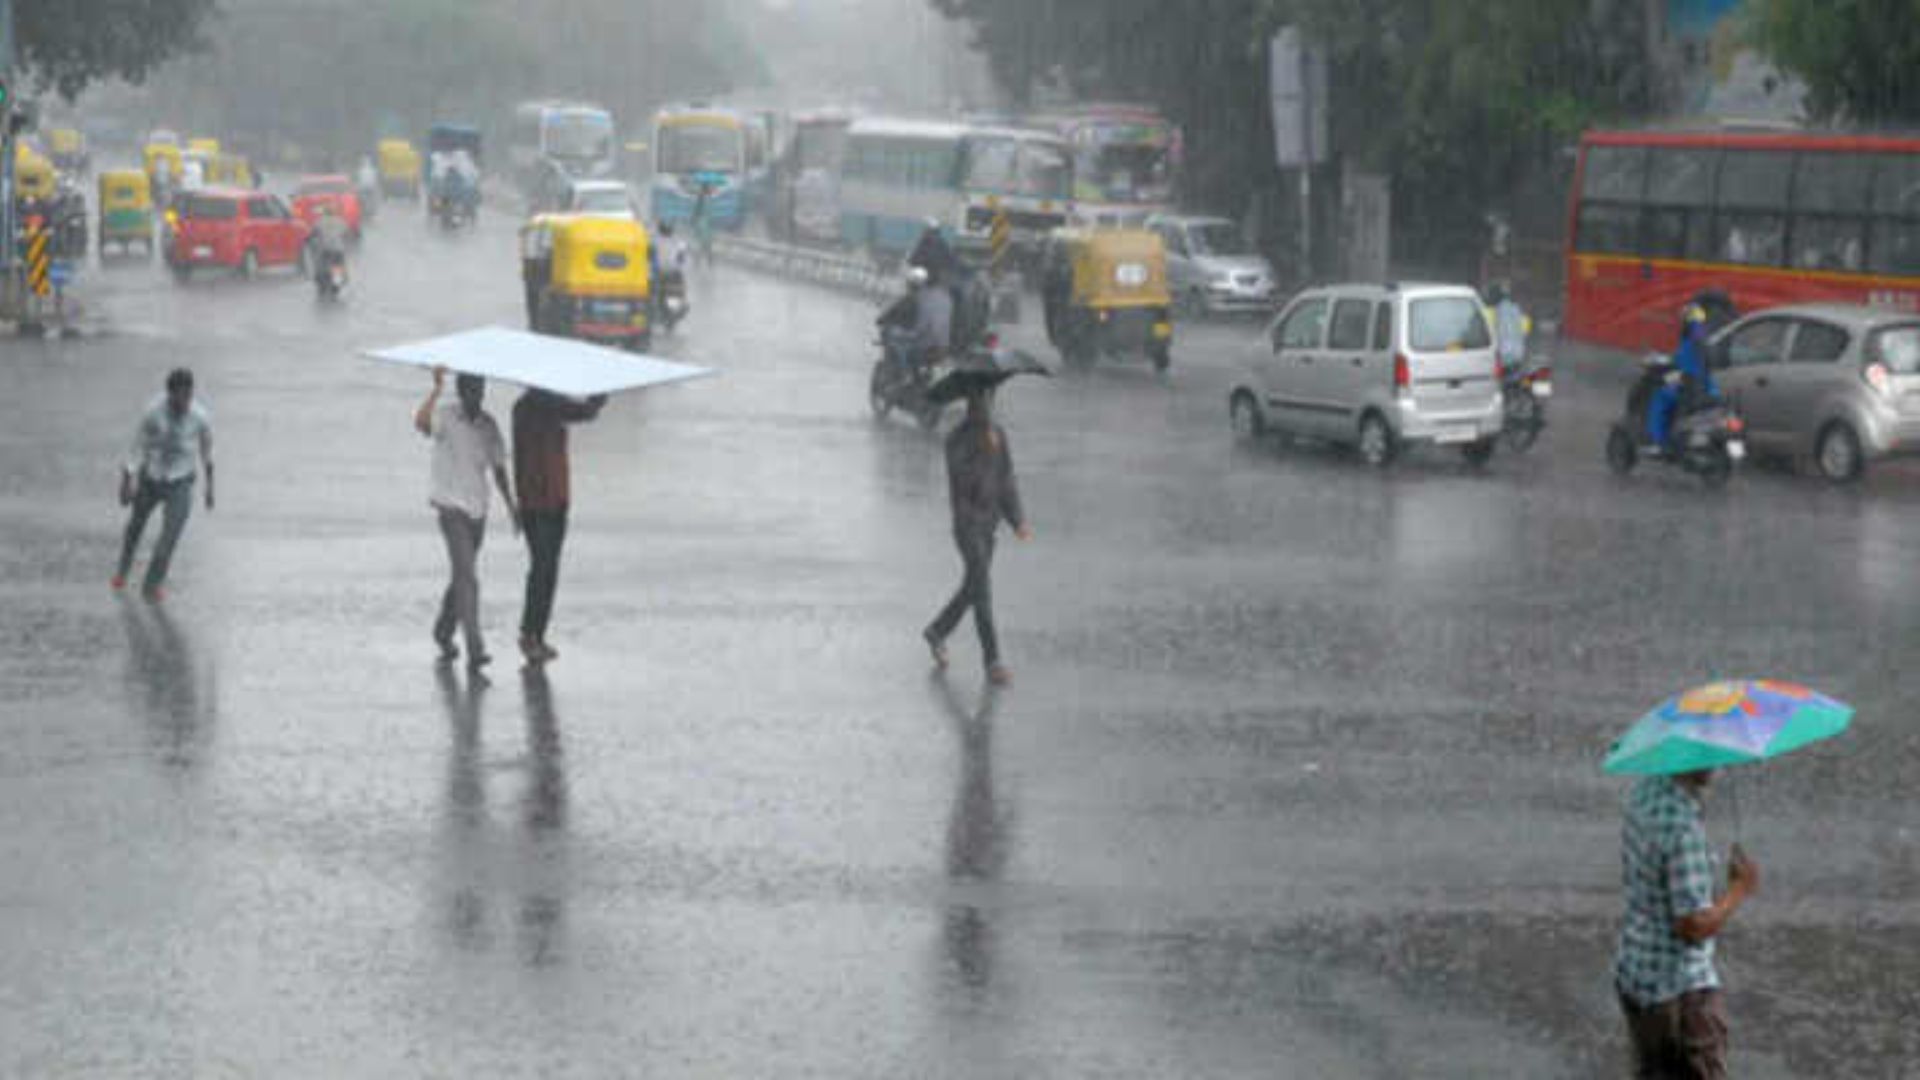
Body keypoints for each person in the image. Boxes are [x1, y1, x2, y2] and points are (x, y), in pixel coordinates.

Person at [1614, 768, 1758, 1079]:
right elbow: (1693, 926)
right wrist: (1738, 889)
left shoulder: (1645, 791)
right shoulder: (1683, 830)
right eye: (1711, 755)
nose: (1719, 764)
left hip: (1638, 972)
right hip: (1679, 991)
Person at [924, 389, 1031, 686]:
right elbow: (964, 482)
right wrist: (984, 447)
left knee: (972, 587)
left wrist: (1017, 519)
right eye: (979, 403)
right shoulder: (956, 439)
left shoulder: (999, 435)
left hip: (989, 526)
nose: (984, 408)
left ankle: (937, 631)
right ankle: (993, 661)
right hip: (967, 526)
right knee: (982, 591)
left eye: (988, 402)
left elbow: (1006, 480)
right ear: (971, 405)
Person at [416, 370, 518, 670]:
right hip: (450, 509)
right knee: (469, 578)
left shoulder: (489, 426)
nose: (477, 395)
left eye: (480, 389)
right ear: (462, 392)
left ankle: (443, 630)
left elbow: (499, 470)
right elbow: (421, 423)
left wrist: (513, 508)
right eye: (472, 390)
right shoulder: (447, 417)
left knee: (462, 576)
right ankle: (475, 648)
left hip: (477, 512)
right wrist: (435, 390)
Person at [512, 388, 607, 666]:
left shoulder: (538, 405)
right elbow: (583, 412)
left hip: (551, 499)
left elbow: (583, 413)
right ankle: (531, 635)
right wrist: (596, 401)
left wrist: (595, 402)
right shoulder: (534, 406)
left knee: (546, 569)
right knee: (544, 569)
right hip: (540, 501)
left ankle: (535, 635)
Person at [114, 368, 214, 601]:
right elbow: (136, 446)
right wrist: (127, 480)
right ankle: (123, 569)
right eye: (179, 397)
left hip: (181, 481)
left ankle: (151, 585)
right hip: (152, 477)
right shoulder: (152, 413)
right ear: (169, 395)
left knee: (168, 538)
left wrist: (209, 488)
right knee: (134, 528)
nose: (183, 402)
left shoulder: (200, 416)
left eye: (188, 396)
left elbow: (207, 452)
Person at [1646, 305, 1717, 452]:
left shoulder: (1694, 333)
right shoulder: (1704, 334)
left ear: (1688, 320)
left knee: (1659, 396)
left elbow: (1683, 366)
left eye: (1683, 320)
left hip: (1689, 384)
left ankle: (1658, 441)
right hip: (1704, 385)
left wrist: (1665, 374)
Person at [1485, 283, 1531, 376]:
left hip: (1499, 359)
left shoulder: (1490, 312)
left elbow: (1486, 334)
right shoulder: (1517, 309)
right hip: (1518, 356)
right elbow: (1525, 330)